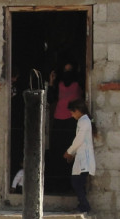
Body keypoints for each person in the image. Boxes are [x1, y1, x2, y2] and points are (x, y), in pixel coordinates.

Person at [47, 61, 83, 193]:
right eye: (65, 70)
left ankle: (70, 185)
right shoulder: (59, 84)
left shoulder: (78, 84)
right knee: (57, 152)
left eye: (70, 71)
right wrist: (51, 82)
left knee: (70, 153)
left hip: (71, 122)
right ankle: (56, 184)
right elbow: (50, 99)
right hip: (58, 121)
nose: (67, 74)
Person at [63, 98, 96, 213]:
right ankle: (82, 206)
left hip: (84, 160)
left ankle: (85, 206)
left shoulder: (84, 121)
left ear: (77, 110)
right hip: (82, 159)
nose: (72, 115)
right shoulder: (83, 121)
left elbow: (79, 140)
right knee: (78, 183)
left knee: (77, 183)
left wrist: (69, 151)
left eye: (72, 112)